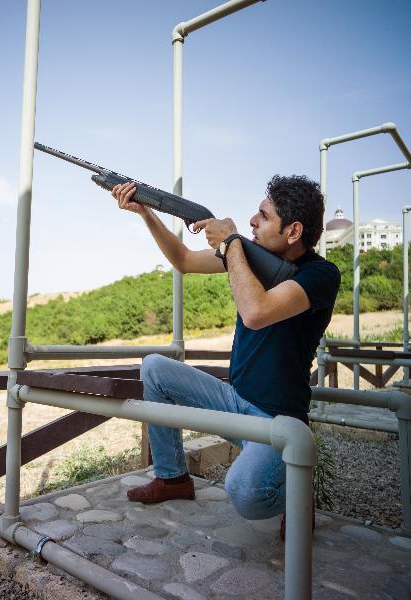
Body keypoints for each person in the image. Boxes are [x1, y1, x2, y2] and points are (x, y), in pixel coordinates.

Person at [111, 175, 340, 528]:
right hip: (233, 404)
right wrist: (146, 213)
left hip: (277, 422)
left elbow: (256, 312)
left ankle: (297, 495)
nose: (252, 221)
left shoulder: (322, 274)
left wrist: (232, 243)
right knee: (154, 367)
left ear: (293, 231)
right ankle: (173, 478)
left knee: (246, 493)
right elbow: (184, 259)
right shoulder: (249, 257)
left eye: (263, 216)